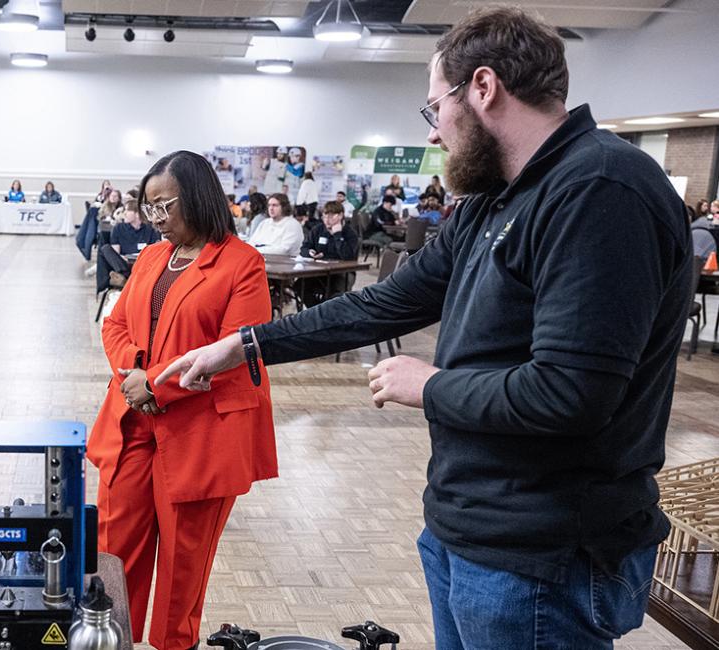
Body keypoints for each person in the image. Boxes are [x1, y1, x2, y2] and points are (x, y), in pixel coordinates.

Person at [155, 8, 692, 648]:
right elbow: (385, 303)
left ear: (483, 88)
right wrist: (246, 344)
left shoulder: (600, 189)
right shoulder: (497, 197)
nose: (434, 133)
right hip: (465, 527)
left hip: (543, 553)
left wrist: (430, 385)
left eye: (433, 108)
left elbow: (571, 393)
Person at [92, 150, 274, 650]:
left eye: (163, 206)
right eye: (148, 208)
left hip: (200, 433)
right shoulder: (152, 257)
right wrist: (133, 372)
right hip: (133, 423)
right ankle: (111, 640)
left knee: (182, 564)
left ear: (195, 198)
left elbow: (238, 349)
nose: (155, 219)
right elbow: (116, 323)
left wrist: (155, 384)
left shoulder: (242, 264)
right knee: (114, 553)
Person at [97, 199, 161, 293]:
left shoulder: (150, 230)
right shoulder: (118, 229)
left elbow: (154, 252)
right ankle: (125, 276)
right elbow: (116, 254)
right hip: (125, 265)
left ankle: (126, 280)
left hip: (143, 265)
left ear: (137, 213)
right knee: (105, 248)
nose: (124, 214)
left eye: (127, 210)